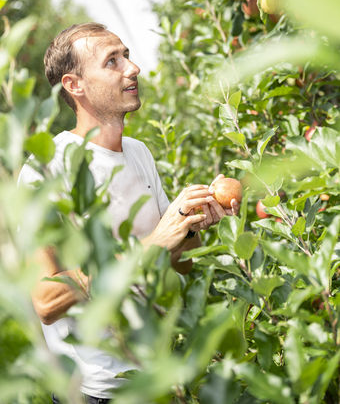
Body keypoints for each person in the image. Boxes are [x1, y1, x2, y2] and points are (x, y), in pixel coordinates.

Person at [19, 23, 239, 403]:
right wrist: (150, 245)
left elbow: (180, 264)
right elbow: (46, 300)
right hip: (96, 391)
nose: (132, 68)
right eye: (112, 61)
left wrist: (189, 224)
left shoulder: (138, 152)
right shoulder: (46, 170)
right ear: (75, 85)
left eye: (127, 56)